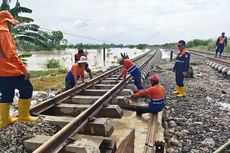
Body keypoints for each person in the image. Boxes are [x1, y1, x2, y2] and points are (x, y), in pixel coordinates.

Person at [0, 11, 38, 128]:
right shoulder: (3, 32)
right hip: (10, 69)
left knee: (6, 94)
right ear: (7, 22)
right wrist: (24, 69)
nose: (11, 26)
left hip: (1, 72)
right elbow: (11, 54)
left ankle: (5, 120)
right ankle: (23, 117)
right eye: (10, 23)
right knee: (27, 88)